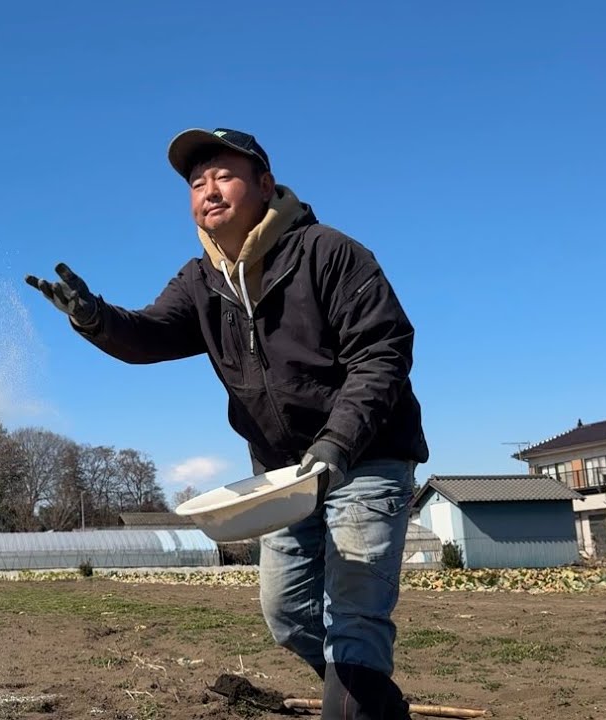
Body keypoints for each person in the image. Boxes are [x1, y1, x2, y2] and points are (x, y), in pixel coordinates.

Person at [26, 128, 428, 720]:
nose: (208, 191)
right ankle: (368, 697)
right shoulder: (202, 279)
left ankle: (355, 695)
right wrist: (94, 318)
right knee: (288, 615)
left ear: (265, 184)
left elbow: (383, 350)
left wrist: (340, 439)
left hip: (364, 458)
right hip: (284, 478)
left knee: (355, 615)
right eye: (196, 182)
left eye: (223, 175)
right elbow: (151, 334)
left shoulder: (329, 252)